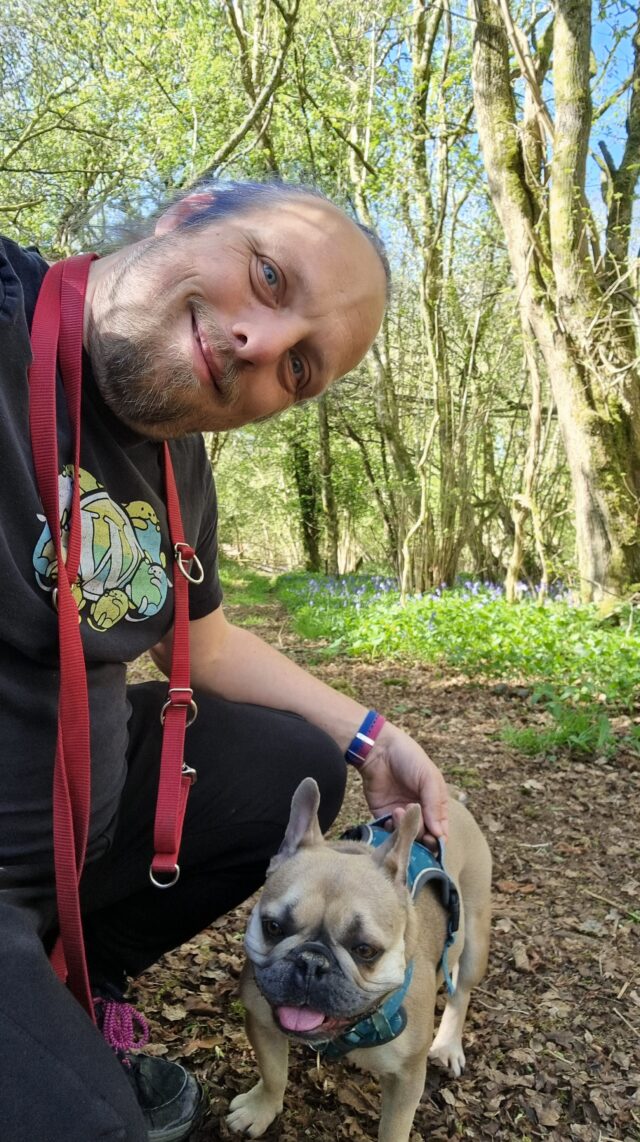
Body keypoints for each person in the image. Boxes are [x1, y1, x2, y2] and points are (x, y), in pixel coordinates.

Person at [0, 180, 449, 1142]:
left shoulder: (176, 461)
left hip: (80, 844)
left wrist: (374, 736)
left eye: (300, 369)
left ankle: (80, 972)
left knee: (287, 761)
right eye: (270, 275)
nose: (259, 343)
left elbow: (198, 643)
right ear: (189, 210)